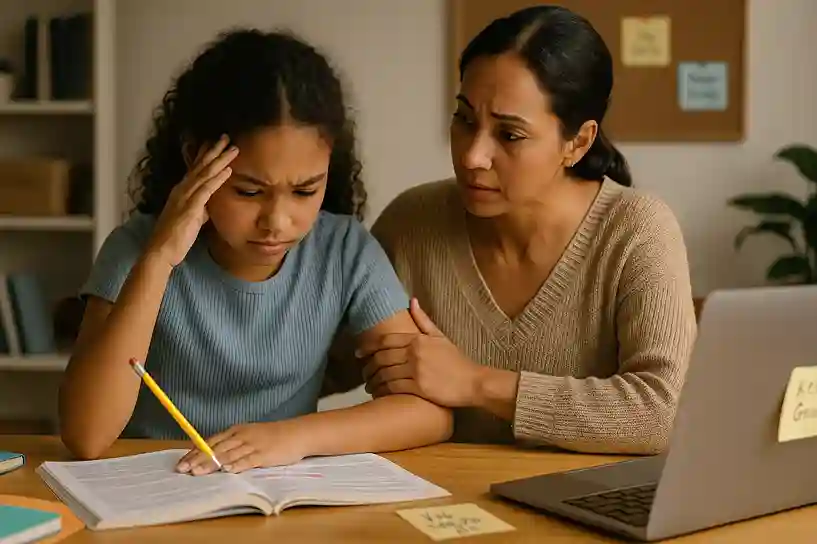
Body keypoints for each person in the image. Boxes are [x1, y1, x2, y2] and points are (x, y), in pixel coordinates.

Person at [58, 28, 452, 474]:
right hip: (153, 484)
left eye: (305, 190)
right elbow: (86, 434)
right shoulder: (136, 248)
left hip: (277, 490)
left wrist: (294, 436)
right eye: (248, 191)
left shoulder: (344, 250)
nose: (277, 223)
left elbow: (429, 412)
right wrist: (159, 258)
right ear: (195, 160)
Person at [337, 6, 697, 455]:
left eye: (509, 136)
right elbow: (326, 364)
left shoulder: (636, 230)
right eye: (465, 120)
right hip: (436, 507)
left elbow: (660, 413)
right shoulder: (413, 223)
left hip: (584, 511)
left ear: (578, 142)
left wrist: (475, 383)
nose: (472, 156)